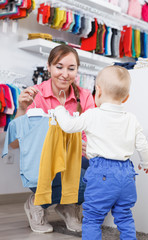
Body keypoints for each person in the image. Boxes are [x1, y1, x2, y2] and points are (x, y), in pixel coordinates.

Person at [54, 65, 148, 240]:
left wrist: (59, 109)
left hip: (102, 174)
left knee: (92, 218)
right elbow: (142, 145)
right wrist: (146, 164)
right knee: (125, 216)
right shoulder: (131, 119)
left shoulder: (92, 115)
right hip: (127, 175)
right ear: (126, 97)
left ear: (97, 91)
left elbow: (68, 126)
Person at [10, 44, 95, 233]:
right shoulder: (35, 95)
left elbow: (94, 136)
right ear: (48, 67)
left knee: (101, 171)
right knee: (79, 176)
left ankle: (68, 205)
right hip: (43, 164)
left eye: (71, 68)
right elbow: (15, 144)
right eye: (59, 66)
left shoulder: (85, 96)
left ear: (77, 71)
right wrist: (22, 109)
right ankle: (37, 203)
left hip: (75, 162)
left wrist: (88, 145)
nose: (65, 73)